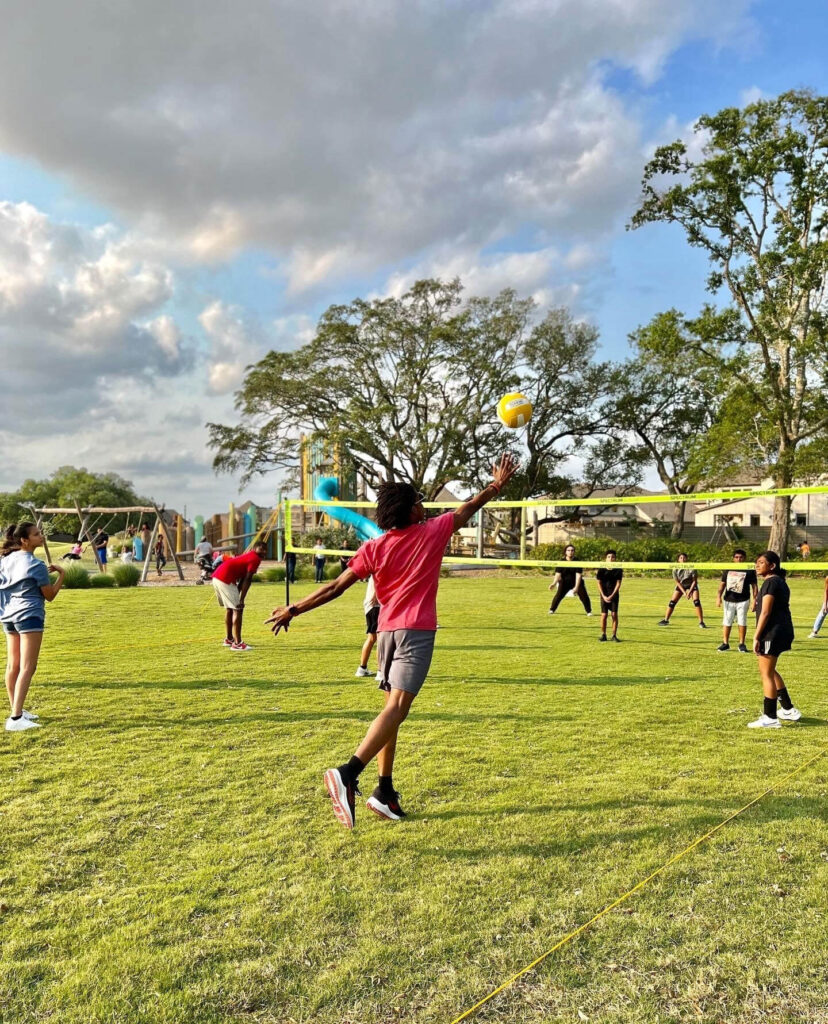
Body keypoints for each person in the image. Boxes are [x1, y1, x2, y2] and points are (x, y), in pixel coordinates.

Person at [266, 453, 519, 830]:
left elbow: (336, 587)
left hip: (385, 633)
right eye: (418, 500)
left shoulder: (375, 546)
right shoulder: (433, 531)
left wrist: (294, 609)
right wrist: (496, 486)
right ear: (410, 510)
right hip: (416, 631)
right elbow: (469, 507)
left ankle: (384, 791)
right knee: (397, 708)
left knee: (391, 714)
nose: (422, 504)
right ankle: (348, 773)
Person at [0, 523, 65, 732]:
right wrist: (62, 575)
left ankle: (16, 710)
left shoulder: (5, 560)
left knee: (13, 665)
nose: (42, 536)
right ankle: (16, 718)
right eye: (37, 534)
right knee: (28, 666)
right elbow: (50, 596)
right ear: (24, 540)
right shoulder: (35, 565)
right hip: (29, 616)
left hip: (8, 616)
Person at [748, 550, 800, 729]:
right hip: (781, 631)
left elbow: (766, 612)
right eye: (757, 562)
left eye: (761, 562)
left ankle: (770, 717)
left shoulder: (771, 582)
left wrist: (756, 636)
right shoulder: (778, 582)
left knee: (766, 673)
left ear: (772, 566)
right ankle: (788, 709)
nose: (757, 565)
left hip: (772, 632)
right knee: (769, 670)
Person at [212, 541, 268, 651]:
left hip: (218, 577)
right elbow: (248, 579)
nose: (264, 552)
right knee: (238, 609)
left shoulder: (251, 556)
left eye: (265, 549)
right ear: (255, 549)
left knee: (230, 609)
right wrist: (241, 599)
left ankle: (229, 639)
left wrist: (238, 593)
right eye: (261, 549)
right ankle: (237, 644)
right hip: (225, 579)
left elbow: (243, 578)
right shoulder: (255, 558)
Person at [715, 548, 758, 653]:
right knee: (727, 621)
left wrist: (754, 601)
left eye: (741, 557)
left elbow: (755, 587)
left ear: (745, 558)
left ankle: (741, 643)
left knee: (742, 621)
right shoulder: (728, 569)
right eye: (737, 557)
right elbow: (722, 584)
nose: (739, 559)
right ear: (733, 558)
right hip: (729, 599)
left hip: (743, 600)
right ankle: (725, 643)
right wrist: (718, 597)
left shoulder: (749, 570)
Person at [657, 553, 707, 628]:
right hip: (682, 585)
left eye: (684, 558)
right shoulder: (675, 568)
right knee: (672, 602)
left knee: (696, 601)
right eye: (681, 558)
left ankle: (701, 622)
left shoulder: (691, 567)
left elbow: (694, 581)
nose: (682, 559)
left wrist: (690, 591)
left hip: (691, 585)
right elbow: (677, 582)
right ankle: (666, 620)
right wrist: (684, 592)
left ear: (686, 559)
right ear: (678, 560)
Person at [547, 543, 592, 616]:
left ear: (574, 552)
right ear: (565, 552)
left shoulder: (577, 561)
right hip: (564, 582)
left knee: (584, 596)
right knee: (558, 596)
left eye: (572, 550)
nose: (570, 552)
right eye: (568, 550)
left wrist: (576, 587)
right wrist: (554, 583)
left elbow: (578, 575)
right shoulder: (561, 561)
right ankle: (552, 610)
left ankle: (589, 612)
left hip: (577, 582)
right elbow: (558, 574)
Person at [355, 576, 380, 678]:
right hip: (376, 607)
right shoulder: (380, 570)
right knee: (381, 639)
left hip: (370, 608)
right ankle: (381, 671)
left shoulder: (376, 572)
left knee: (372, 638)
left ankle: (362, 668)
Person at [596, 550, 623, 642]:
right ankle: (603, 635)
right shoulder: (601, 568)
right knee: (604, 615)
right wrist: (603, 595)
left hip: (614, 594)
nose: (611, 559)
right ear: (606, 558)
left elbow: (618, 583)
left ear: (615, 559)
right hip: (604, 594)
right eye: (609, 557)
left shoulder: (618, 569)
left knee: (614, 615)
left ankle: (614, 635)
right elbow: (598, 583)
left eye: (613, 557)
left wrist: (612, 595)